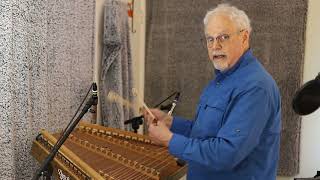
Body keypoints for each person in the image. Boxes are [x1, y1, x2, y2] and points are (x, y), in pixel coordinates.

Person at [143, 3, 281, 180]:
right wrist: (171, 123)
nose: (215, 45)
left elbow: (226, 154)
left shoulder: (256, 88)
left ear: (244, 37)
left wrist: (169, 140)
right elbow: (206, 134)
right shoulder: (222, 78)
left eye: (223, 37)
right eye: (210, 39)